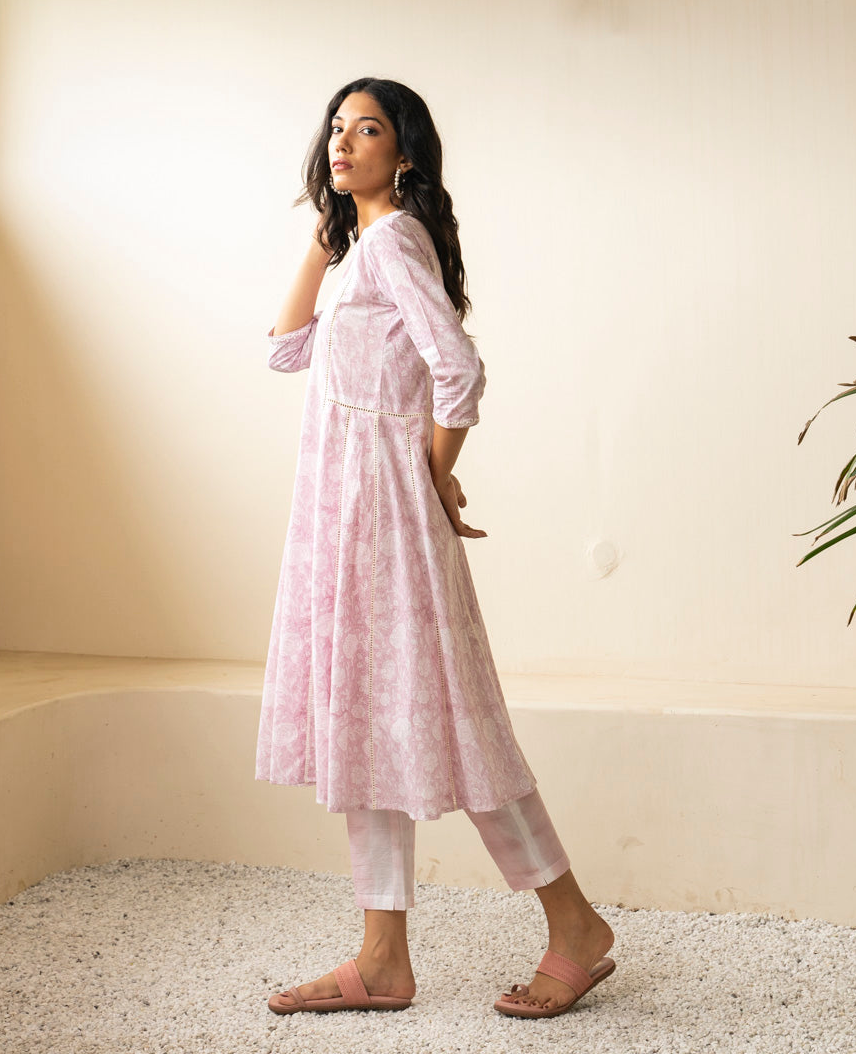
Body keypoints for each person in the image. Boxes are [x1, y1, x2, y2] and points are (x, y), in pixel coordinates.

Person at [255, 77, 615, 1019]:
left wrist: (431, 473)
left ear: (404, 152)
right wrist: (325, 232)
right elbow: (284, 349)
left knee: (456, 717)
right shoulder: (362, 249)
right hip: (346, 514)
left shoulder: (394, 242)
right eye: (336, 128)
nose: (343, 141)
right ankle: (382, 957)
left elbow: (458, 371)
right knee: (365, 718)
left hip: (381, 513)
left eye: (367, 129)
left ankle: (575, 925)